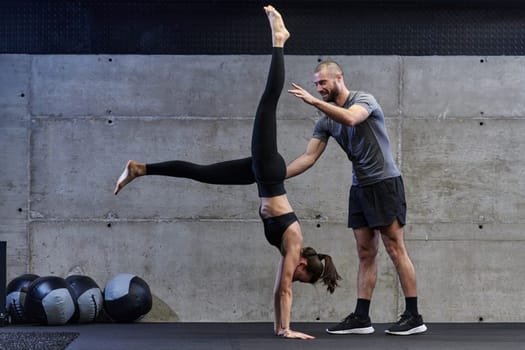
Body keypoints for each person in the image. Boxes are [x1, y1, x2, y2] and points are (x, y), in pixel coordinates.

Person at [114, 5, 341, 340]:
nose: (293, 277)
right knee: (268, 102)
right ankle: (279, 40)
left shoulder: (288, 251)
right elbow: (284, 291)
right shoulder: (294, 244)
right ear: (304, 266)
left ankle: (140, 168)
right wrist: (289, 330)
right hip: (267, 172)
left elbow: (279, 290)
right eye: (300, 277)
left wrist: (281, 329)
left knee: (201, 173)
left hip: (260, 174)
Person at [286, 60, 427, 336]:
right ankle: (362, 317)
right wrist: (276, 176)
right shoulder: (325, 121)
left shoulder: (364, 100)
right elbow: (308, 157)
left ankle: (414, 316)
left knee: (395, 249)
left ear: (339, 78)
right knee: (365, 253)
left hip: (385, 183)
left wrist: (314, 102)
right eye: (316, 84)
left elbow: (351, 118)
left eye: (322, 83)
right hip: (360, 188)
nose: (319, 88)